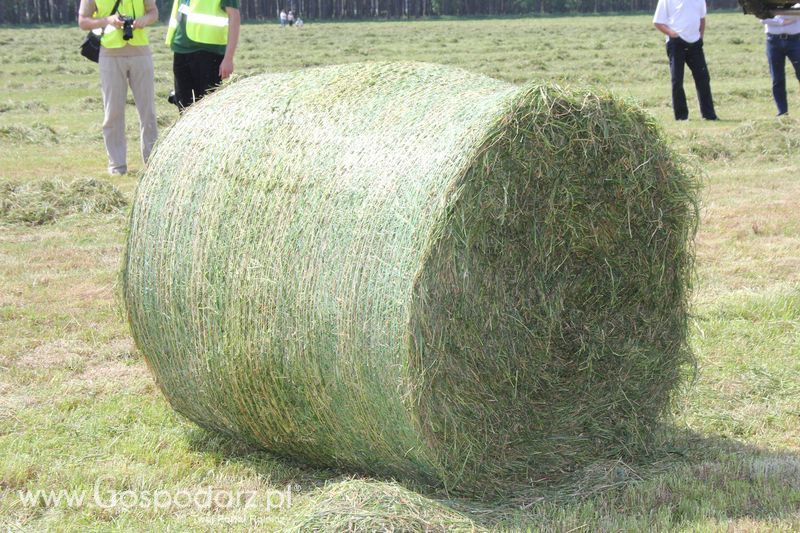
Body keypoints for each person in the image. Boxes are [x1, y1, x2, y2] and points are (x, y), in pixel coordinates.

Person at [78, 0, 158, 175]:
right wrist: (108, 20)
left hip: (140, 52)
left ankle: (152, 162)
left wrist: (144, 20)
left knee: (148, 111)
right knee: (113, 112)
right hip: (110, 53)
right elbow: (83, 21)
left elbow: (153, 12)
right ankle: (117, 165)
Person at [165, 0, 241, 111]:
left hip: (209, 53)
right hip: (180, 50)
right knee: (184, 107)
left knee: (208, 109)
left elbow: (234, 16)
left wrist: (228, 58)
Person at [653, 0, 718, 120]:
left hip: (695, 43)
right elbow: (658, 22)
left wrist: (700, 36)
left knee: (703, 78)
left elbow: (702, 19)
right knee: (677, 79)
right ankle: (681, 116)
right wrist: (671, 33)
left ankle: (709, 115)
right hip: (676, 43)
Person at [760, 15, 800, 116]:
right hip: (773, 41)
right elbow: (763, 18)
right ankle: (782, 112)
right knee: (777, 78)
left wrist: (775, 20)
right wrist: (783, 21)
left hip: (796, 40)